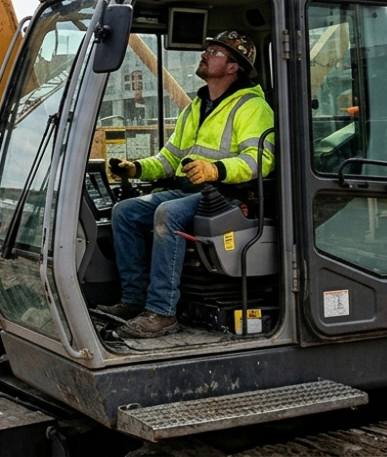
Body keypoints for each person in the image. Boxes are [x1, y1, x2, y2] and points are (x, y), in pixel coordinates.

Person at [97, 30, 275, 339]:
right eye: (207, 49)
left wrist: (215, 170)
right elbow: (169, 159)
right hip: (190, 190)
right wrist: (136, 168)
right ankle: (133, 300)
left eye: (215, 52)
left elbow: (259, 161)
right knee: (125, 211)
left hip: (225, 196)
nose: (205, 55)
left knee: (168, 212)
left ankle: (163, 312)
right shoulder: (197, 106)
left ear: (234, 66)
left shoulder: (252, 108)